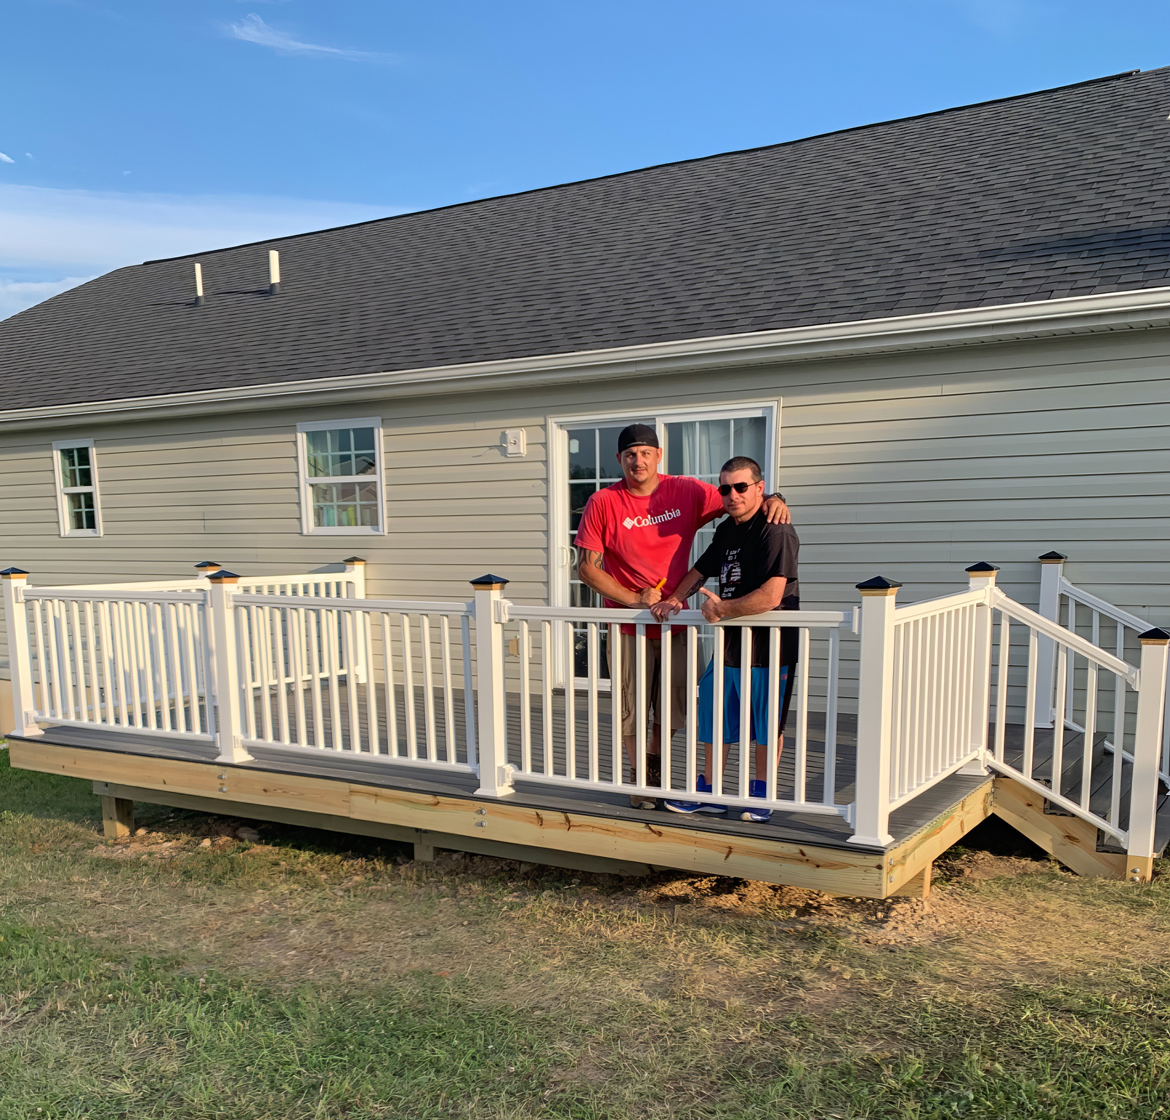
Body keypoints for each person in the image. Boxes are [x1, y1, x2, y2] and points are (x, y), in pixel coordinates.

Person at [575, 424, 789, 808]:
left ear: (658, 456)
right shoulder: (603, 502)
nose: (638, 461)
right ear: (619, 459)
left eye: (645, 452)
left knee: (673, 707)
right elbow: (587, 569)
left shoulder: (687, 491)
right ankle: (641, 779)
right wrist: (635, 599)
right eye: (630, 454)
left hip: (674, 624)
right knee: (631, 708)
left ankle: (656, 771)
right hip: (629, 625)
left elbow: (738, 496)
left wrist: (774, 497)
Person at [652, 455, 799, 822]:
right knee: (715, 712)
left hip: (769, 645)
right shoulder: (726, 530)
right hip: (732, 640)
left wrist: (722, 609)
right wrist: (676, 598)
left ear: (760, 488)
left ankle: (762, 794)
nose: (733, 495)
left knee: (766, 722)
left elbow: (772, 596)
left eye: (741, 487)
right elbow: (701, 569)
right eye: (725, 489)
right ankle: (710, 791)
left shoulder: (775, 529)